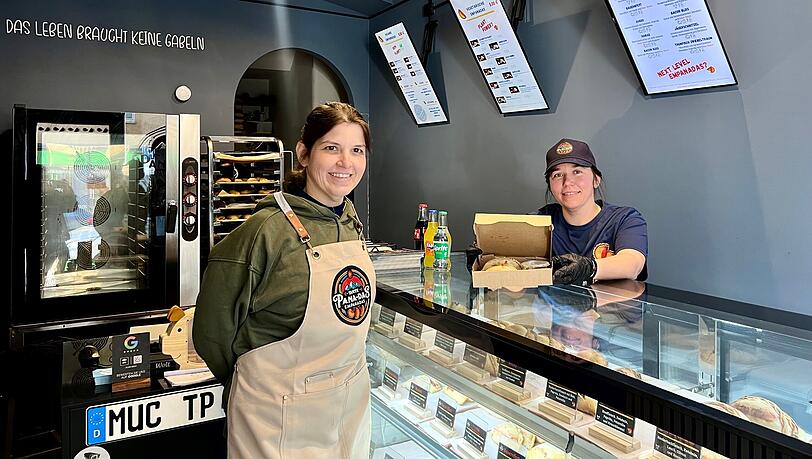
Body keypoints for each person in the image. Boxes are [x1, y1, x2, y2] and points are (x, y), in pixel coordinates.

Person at [193, 102, 375, 459]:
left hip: (346, 405)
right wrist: (255, 384)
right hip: (275, 416)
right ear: (304, 154)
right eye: (331, 148)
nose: (346, 163)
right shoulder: (264, 231)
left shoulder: (350, 221)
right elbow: (212, 333)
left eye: (356, 151)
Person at [537, 139, 647, 286]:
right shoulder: (539, 222)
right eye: (557, 175)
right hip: (553, 308)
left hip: (610, 307)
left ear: (596, 179)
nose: (567, 182)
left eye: (577, 172)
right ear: (550, 186)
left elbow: (632, 264)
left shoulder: (625, 219)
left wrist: (589, 268)